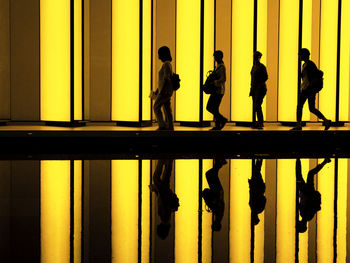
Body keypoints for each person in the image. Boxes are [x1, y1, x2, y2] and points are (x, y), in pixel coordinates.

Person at [292, 48, 331, 130]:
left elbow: (316, 75)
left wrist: (309, 85)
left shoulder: (310, 64)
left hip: (308, 88)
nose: (299, 56)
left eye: (299, 55)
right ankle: (326, 121)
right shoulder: (305, 64)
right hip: (308, 88)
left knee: (299, 106)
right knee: (312, 108)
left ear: (303, 55)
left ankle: (298, 125)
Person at [296, 157, 331, 233]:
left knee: (308, 174)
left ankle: (324, 162)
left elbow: (303, 204)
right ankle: (298, 159)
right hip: (306, 191)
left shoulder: (306, 216)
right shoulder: (306, 215)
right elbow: (306, 204)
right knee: (305, 175)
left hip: (306, 191)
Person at [149, 159, 179, 239]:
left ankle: (168, 161)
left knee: (166, 176)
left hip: (166, 193)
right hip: (164, 193)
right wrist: (156, 190)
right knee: (156, 178)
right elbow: (162, 201)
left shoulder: (167, 219)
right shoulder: (164, 218)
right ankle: (162, 160)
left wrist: (156, 190)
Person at [201, 158, 227, 231]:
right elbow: (220, 203)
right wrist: (214, 201)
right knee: (210, 175)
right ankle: (220, 163)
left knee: (212, 175)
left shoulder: (218, 216)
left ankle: (218, 162)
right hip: (217, 191)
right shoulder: (219, 215)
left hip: (218, 191)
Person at [153, 46, 174, 130]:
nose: (159, 56)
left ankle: (162, 125)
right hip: (166, 91)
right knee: (167, 109)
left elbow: (165, 78)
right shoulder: (168, 64)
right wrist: (158, 89)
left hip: (164, 91)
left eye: (159, 54)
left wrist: (160, 91)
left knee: (156, 107)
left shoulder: (166, 64)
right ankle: (169, 126)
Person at [206, 50, 228, 130]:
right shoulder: (219, 66)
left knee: (210, 107)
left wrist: (214, 82)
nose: (214, 58)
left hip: (218, 90)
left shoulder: (221, 67)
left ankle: (222, 120)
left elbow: (223, 79)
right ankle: (218, 125)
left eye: (215, 56)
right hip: (217, 90)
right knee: (214, 108)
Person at [250, 51, 268, 129]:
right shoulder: (254, 66)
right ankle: (258, 122)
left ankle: (260, 122)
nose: (254, 58)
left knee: (257, 105)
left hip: (260, 89)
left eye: (256, 56)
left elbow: (265, 77)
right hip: (254, 88)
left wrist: (259, 85)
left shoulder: (261, 67)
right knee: (256, 106)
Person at [249, 158, 266, 225]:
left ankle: (259, 159)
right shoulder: (254, 207)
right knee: (256, 171)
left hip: (259, 187)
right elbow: (251, 194)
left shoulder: (258, 209)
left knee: (257, 171)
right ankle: (259, 159)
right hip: (257, 187)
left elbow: (264, 199)